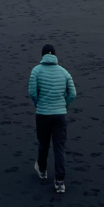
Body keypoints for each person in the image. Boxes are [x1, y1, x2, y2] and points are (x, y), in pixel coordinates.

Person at [27, 43, 77, 193]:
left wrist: (38, 103)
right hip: (59, 115)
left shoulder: (36, 70)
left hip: (42, 114)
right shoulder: (64, 72)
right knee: (59, 147)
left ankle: (42, 171)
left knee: (43, 144)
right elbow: (73, 94)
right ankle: (60, 182)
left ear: (42, 56)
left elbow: (32, 92)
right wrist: (64, 105)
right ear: (54, 55)